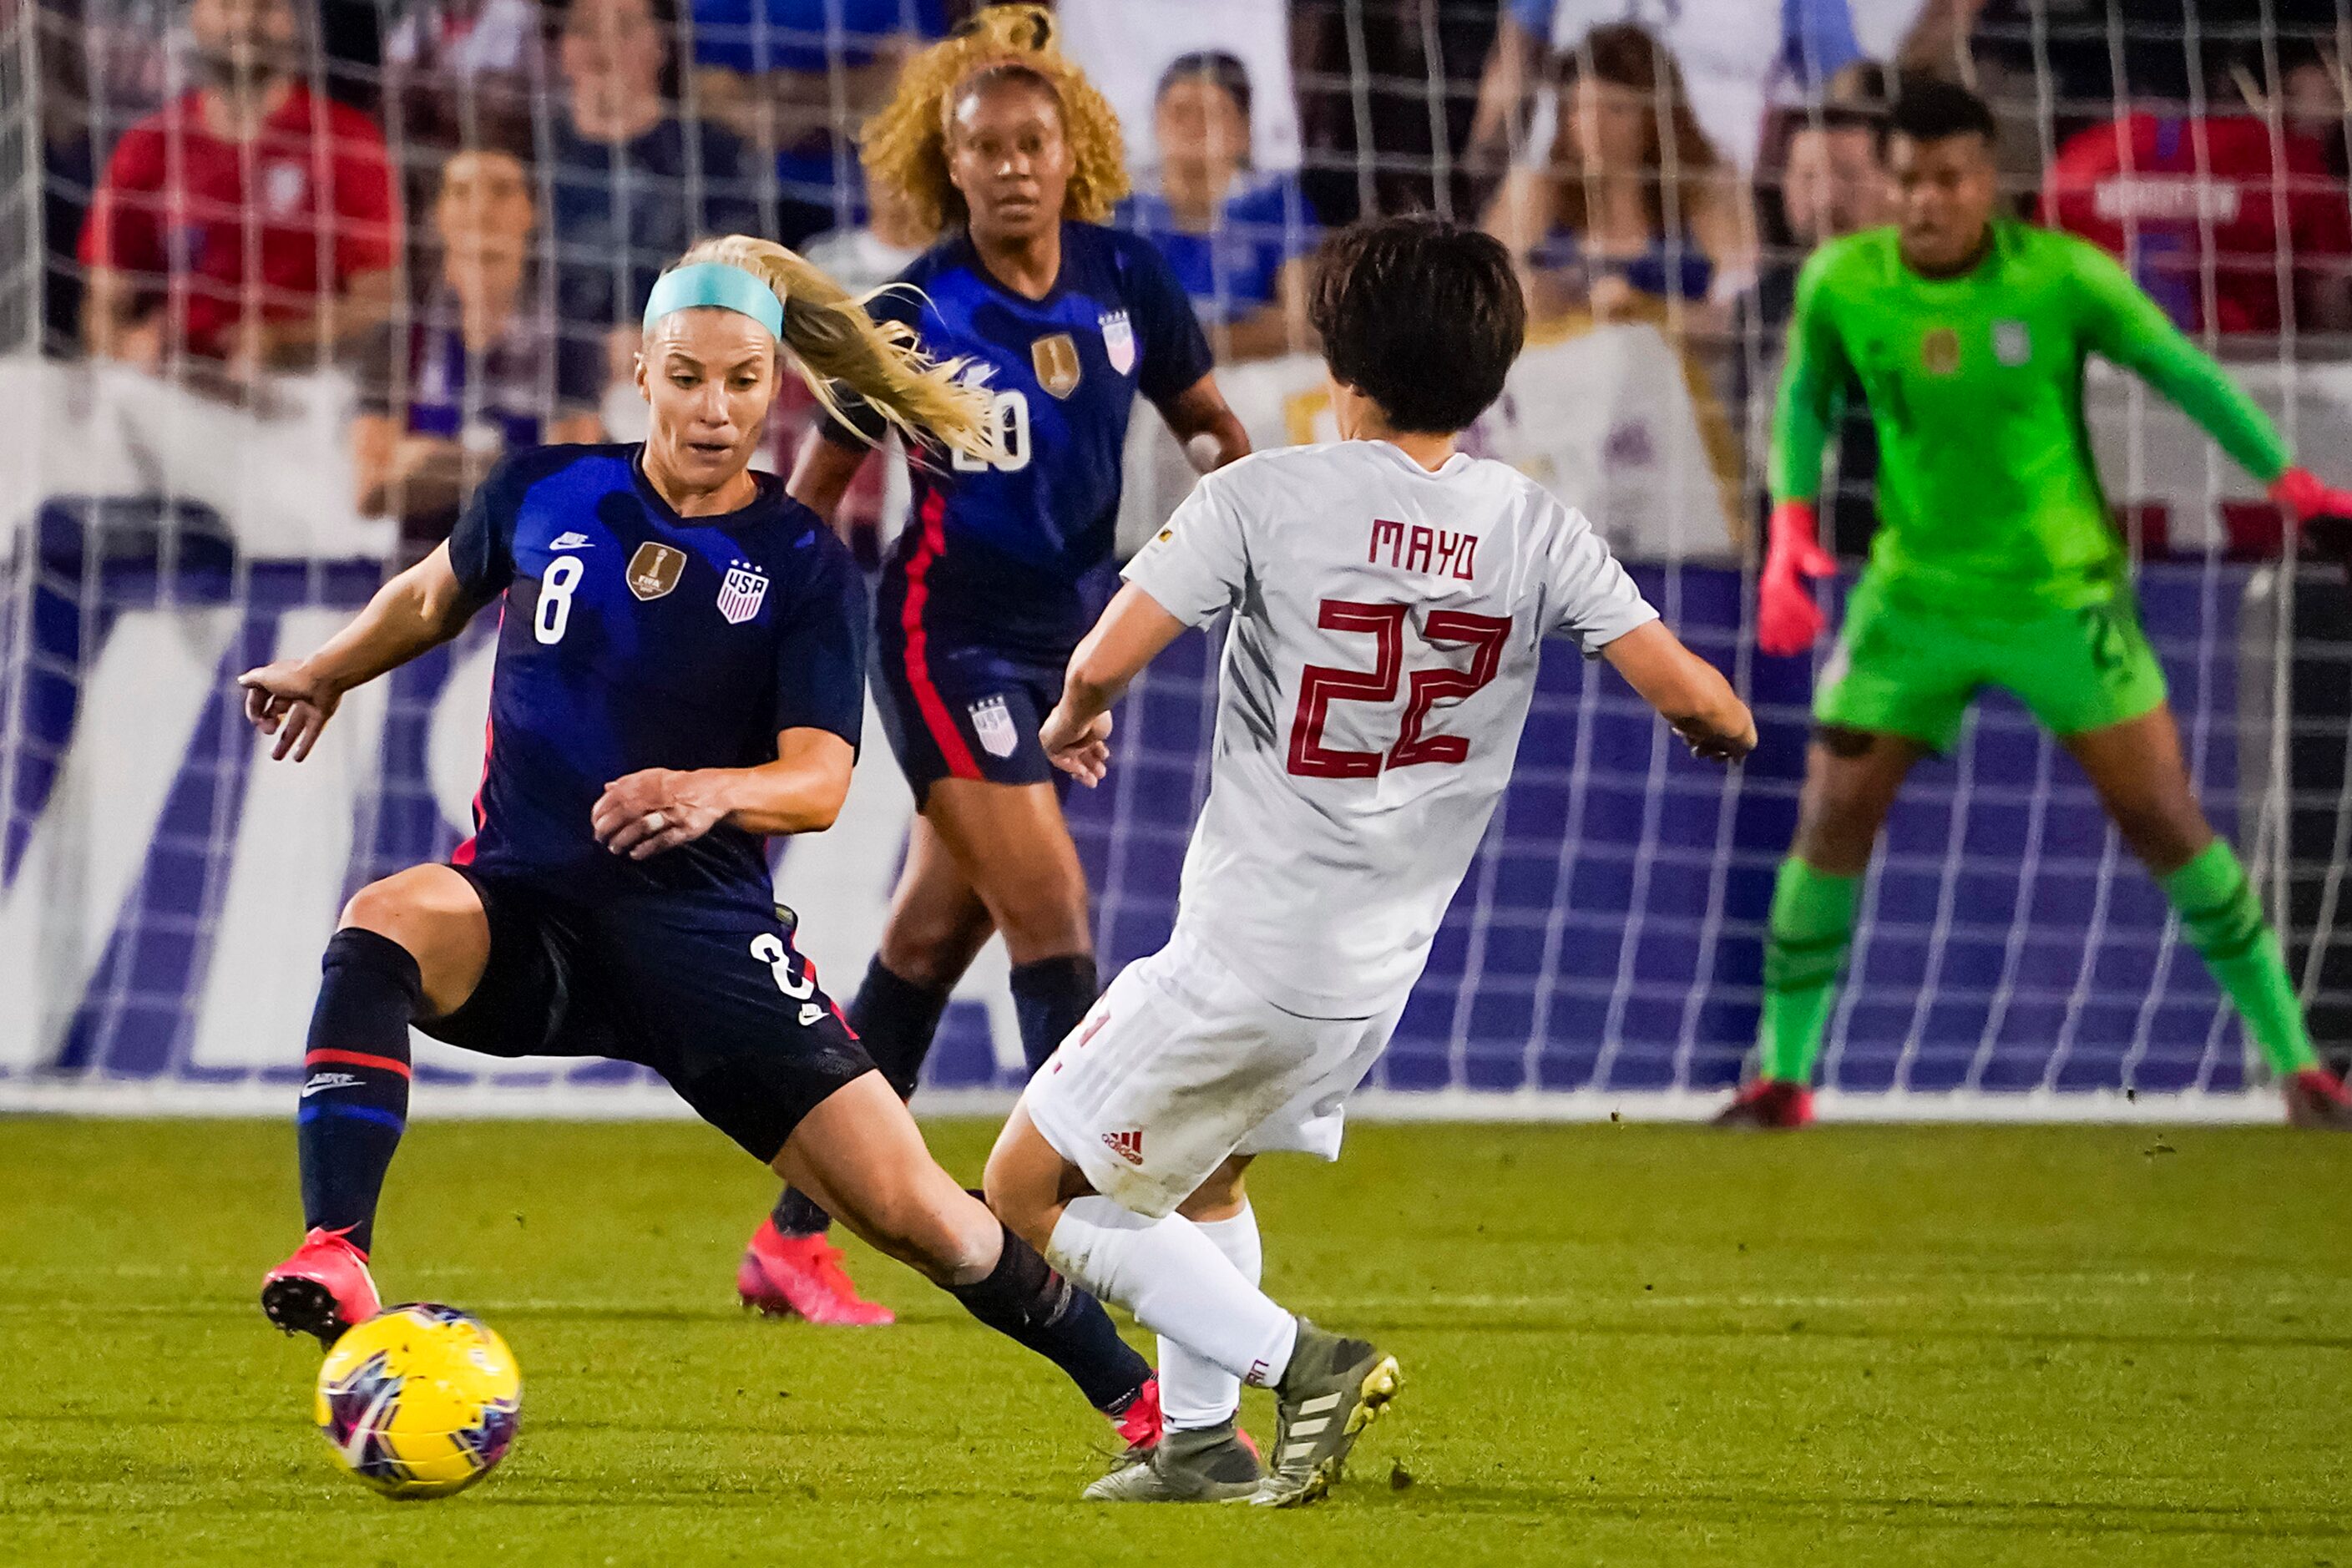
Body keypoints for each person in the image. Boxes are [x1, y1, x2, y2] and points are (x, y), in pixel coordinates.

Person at [240, 234, 1168, 1463]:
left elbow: (824, 779)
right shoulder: (542, 490)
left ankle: (1142, 1405)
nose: (716, 408)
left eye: (743, 381)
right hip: (529, 916)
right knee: (385, 918)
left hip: (707, 951)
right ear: (641, 370)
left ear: (777, 385)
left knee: (924, 1219)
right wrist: (324, 670)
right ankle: (337, 1249)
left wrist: (710, 792)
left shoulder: (800, 564)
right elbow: (427, 595)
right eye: (688, 377)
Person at [982, 215, 1755, 1505]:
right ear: (1492, 373)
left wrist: (1072, 717)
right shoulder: (1535, 527)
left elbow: (1105, 654)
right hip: (1368, 981)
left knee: (1021, 1190)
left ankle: (1305, 1361)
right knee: (1207, 1168)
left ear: (1334, 358)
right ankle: (1196, 1445)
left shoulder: (1263, 494)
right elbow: (1708, 705)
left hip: (1243, 955)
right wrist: (1710, 733)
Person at [736, 6, 1250, 1327]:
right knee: (1053, 912)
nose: (1014, 164)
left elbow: (1209, 426)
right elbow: (820, 488)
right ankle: (1079, 1225)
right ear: (947, 166)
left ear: (1072, 150)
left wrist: (1243, 518)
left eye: (1035, 141)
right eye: (986, 147)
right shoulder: (910, 310)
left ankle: (793, 1239)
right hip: (939, 634)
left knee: (924, 940)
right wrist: (779, 635)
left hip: (1062, 645)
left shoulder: (1130, 278)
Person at [1724, 80, 2352, 1130]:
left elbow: (2184, 374)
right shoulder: (1844, 281)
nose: (1927, 201)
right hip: (1913, 596)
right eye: (1909, 180)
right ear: (1890, 182)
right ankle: (1781, 1077)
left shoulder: (2062, 279)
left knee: (2164, 816)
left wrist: (2289, 481)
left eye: (1950, 179)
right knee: (1831, 815)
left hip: (2063, 594)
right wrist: (1788, 534)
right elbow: (1803, 401)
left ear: (1991, 179)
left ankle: (2302, 1068)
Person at [78, 0, 398, 378]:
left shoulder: (347, 141)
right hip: (173, 388)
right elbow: (103, 302)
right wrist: (125, 344)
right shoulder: (148, 146)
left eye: (265, 6)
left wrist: (281, 341)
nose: (246, 19)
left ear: (293, 20)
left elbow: (378, 299)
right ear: (195, 14)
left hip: (301, 392)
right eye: (227, 4)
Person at [352, 149, 604, 559]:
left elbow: (568, 487)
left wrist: (431, 460)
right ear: (437, 214)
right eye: (462, 191)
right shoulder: (400, 334)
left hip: (532, 569)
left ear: (533, 212)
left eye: (501, 191)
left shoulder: (570, 330)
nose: (481, 208)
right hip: (422, 572)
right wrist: (518, 460)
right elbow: (371, 491)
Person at [546, 0, 761, 412]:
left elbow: (732, 284)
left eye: (624, 28)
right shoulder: (529, 155)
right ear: (563, 48)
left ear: (662, 47)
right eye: (586, 28)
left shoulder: (713, 157)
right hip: (545, 379)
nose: (603, 46)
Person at [1481, 23, 1753, 331]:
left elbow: (1741, 313)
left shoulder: (1704, 190)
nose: (1594, 127)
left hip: (1675, 370)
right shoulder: (1536, 189)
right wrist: (1535, 298)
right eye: (1579, 109)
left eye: (1616, 109)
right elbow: (1485, 294)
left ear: (1656, 118)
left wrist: (1646, 311)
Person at [687, 0, 950, 247]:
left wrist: (779, 90)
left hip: (880, 212)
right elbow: (709, 91)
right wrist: (854, 96)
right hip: (756, 200)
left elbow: (919, 76)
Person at [1115, 52, 1320, 362]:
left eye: (1212, 112)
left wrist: (1183, 344)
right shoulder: (1120, 209)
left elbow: (1304, 324)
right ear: (1156, 122)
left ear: (1243, 131)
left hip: (1255, 378)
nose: (1194, 126)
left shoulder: (1277, 204)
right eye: (1180, 111)